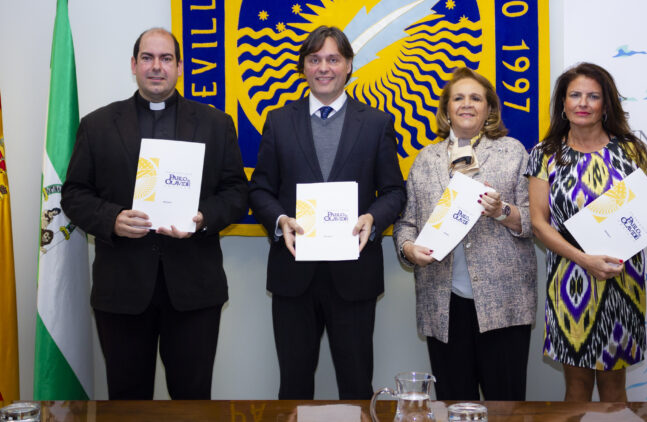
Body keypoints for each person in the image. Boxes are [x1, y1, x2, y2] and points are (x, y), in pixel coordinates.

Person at [61, 28, 249, 399]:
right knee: (127, 402)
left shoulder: (215, 123)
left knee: (193, 402)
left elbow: (236, 192)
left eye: (166, 59)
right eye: (147, 58)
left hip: (194, 291)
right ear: (134, 65)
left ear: (180, 66)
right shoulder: (97, 125)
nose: (156, 67)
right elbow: (74, 194)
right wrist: (112, 219)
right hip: (122, 291)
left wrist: (203, 218)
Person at [247, 26, 405, 399]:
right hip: (293, 274)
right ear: (303, 67)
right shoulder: (279, 120)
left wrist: (373, 218)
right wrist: (279, 220)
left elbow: (395, 191)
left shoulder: (377, 123)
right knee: (294, 387)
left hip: (354, 275)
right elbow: (259, 189)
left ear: (349, 65)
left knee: (355, 386)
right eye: (314, 59)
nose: (323, 68)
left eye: (333, 59)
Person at [526, 62, 647, 402]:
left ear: (605, 104)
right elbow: (539, 223)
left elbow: (641, 218)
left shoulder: (631, 150)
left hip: (620, 281)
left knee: (614, 393)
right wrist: (584, 259)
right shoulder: (545, 154)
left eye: (593, 96)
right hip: (571, 281)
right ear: (563, 104)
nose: (583, 103)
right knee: (576, 392)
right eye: (575, 95)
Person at [392, 67, 537, 401]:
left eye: (476, 98)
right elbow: (406, 224)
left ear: (489, 109)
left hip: (504, 303)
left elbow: (534, 221)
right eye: (458, 98)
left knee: (506, 405)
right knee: (455, 405)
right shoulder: (425, 160)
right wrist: (409, 249)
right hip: (444, 305)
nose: (467, 104)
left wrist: (501, 211)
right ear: (446, 109)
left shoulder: (512, 151)